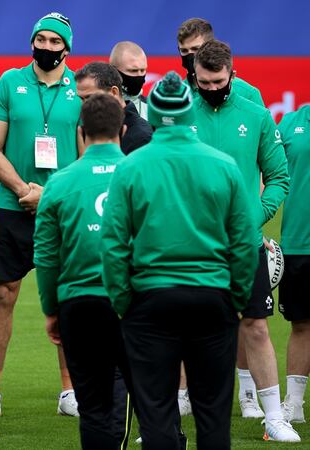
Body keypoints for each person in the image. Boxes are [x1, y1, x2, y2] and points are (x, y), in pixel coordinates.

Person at [101, 71, 260, 449]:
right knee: (213, 415)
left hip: (150, 301)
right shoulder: (223, 165)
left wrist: (124, 301)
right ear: (190, 114)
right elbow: (243, 242)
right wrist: (234, 299)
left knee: (157, 412)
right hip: (212, 298)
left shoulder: (131, 166)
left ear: (152, 115)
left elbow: (113, 244)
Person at [0, 12, 81, 419]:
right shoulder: (9, 82)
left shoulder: (78, 88)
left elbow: (88, 154)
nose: (48, 47)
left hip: (64, 209)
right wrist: (23, 190)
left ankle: (70, 391)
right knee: (4, 294)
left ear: (67, 48)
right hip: (13, 206)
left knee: (70, 298)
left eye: (56, 42)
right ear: (32, 42)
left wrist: (49, 194)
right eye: (42, 39)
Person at [190, 40, 297, 441]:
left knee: (255, 327)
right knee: (183, 326)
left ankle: (274, 417)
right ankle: (169, 414)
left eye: (219, 81)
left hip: (242, 245)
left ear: (232, 75)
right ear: (194, 76)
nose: (212, 87)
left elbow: (279, 177)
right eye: (204, 81)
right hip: (191, 245)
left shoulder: (256, 116)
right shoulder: (179, 115)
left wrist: (250, 217)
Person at [34, 93, 133, 449]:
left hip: (78, 303)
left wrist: (51, 308)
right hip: (132, 304)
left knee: (92, 408)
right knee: (149, 403)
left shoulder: (59, 183)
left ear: (81, 131)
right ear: (122, 129)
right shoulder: (141, 174)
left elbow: (46, 257)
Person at [277, 104, 310, 424]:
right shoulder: (291, 122)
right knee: (301, 324)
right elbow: (269, 173)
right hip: (298, 243)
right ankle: (294, 404)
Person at [176, 18, 264, 106]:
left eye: (195, 49)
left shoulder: (248, 93)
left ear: (210, 46)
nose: (190, 56)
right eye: (184, 51)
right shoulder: (175, 94)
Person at [74, 61, 152, 154]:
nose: (84, 105)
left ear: (114, 92)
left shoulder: (142, 136)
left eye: (90, 97)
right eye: (81, 99)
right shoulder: (86, 130)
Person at [109, 41, 149, 120]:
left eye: (143, 70)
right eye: (133, 71)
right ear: (114, 71)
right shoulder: (98, 105)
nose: (139, 75)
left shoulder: (152, 108)